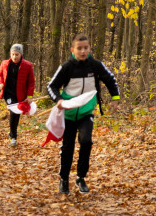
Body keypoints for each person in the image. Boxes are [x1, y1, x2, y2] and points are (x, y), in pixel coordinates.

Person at [47, 32, 120, 194]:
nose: (83, 51)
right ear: (72, 49)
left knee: (86, 141)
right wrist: (58, 100)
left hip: (86, 112)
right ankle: (64, 179)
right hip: (68, 115)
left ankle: (80, 177)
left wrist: (115, 98)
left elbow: (110, 79)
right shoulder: (66, 67)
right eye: (79, 48)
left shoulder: (95, 65)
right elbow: (51, 86)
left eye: (86, 48)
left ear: (89, 48)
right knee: (68, 148)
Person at [0, 43, 35, 147]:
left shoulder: (27, 66)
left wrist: (30, 96)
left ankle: (11, 133)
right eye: (13, 54)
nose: (14, 56)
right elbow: (0, 74)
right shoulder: (5, 63)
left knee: (17, 113)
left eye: (17, 54)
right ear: (10, 54)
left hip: (20, 94)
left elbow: (31, 82)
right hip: (8, 93)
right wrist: (0, 83)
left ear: (21, 54)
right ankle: (14, 137)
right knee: (13, 111)